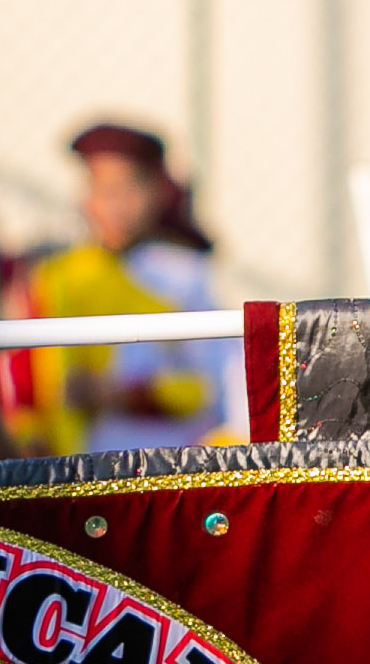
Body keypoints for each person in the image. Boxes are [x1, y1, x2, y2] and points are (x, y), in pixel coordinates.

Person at [22, 123, 223, 451]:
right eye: (104, 190)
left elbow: (209, 388)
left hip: (169, 453)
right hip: (76, 461)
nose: (117, 206)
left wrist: (120, 393)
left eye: (129, 190)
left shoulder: (184, 275)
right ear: (85, 197)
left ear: (156, 194)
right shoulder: (58, 275)